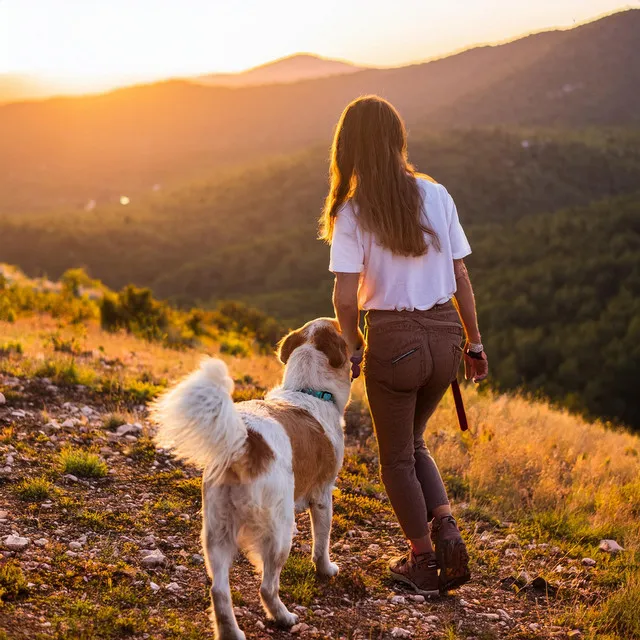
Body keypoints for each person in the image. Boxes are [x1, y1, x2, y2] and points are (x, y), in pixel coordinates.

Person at [320, 95, 488, 597]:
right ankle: (447, 530)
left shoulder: (351, 212)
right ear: (397, 140)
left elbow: (344, 297)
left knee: (396, 458)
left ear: (348, 147)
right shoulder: (437, 196)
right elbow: (460, 275)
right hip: (446, 341)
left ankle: (422, 559)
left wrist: (351, 348)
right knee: (414, 444)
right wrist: (475, 345)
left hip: (393, 341)